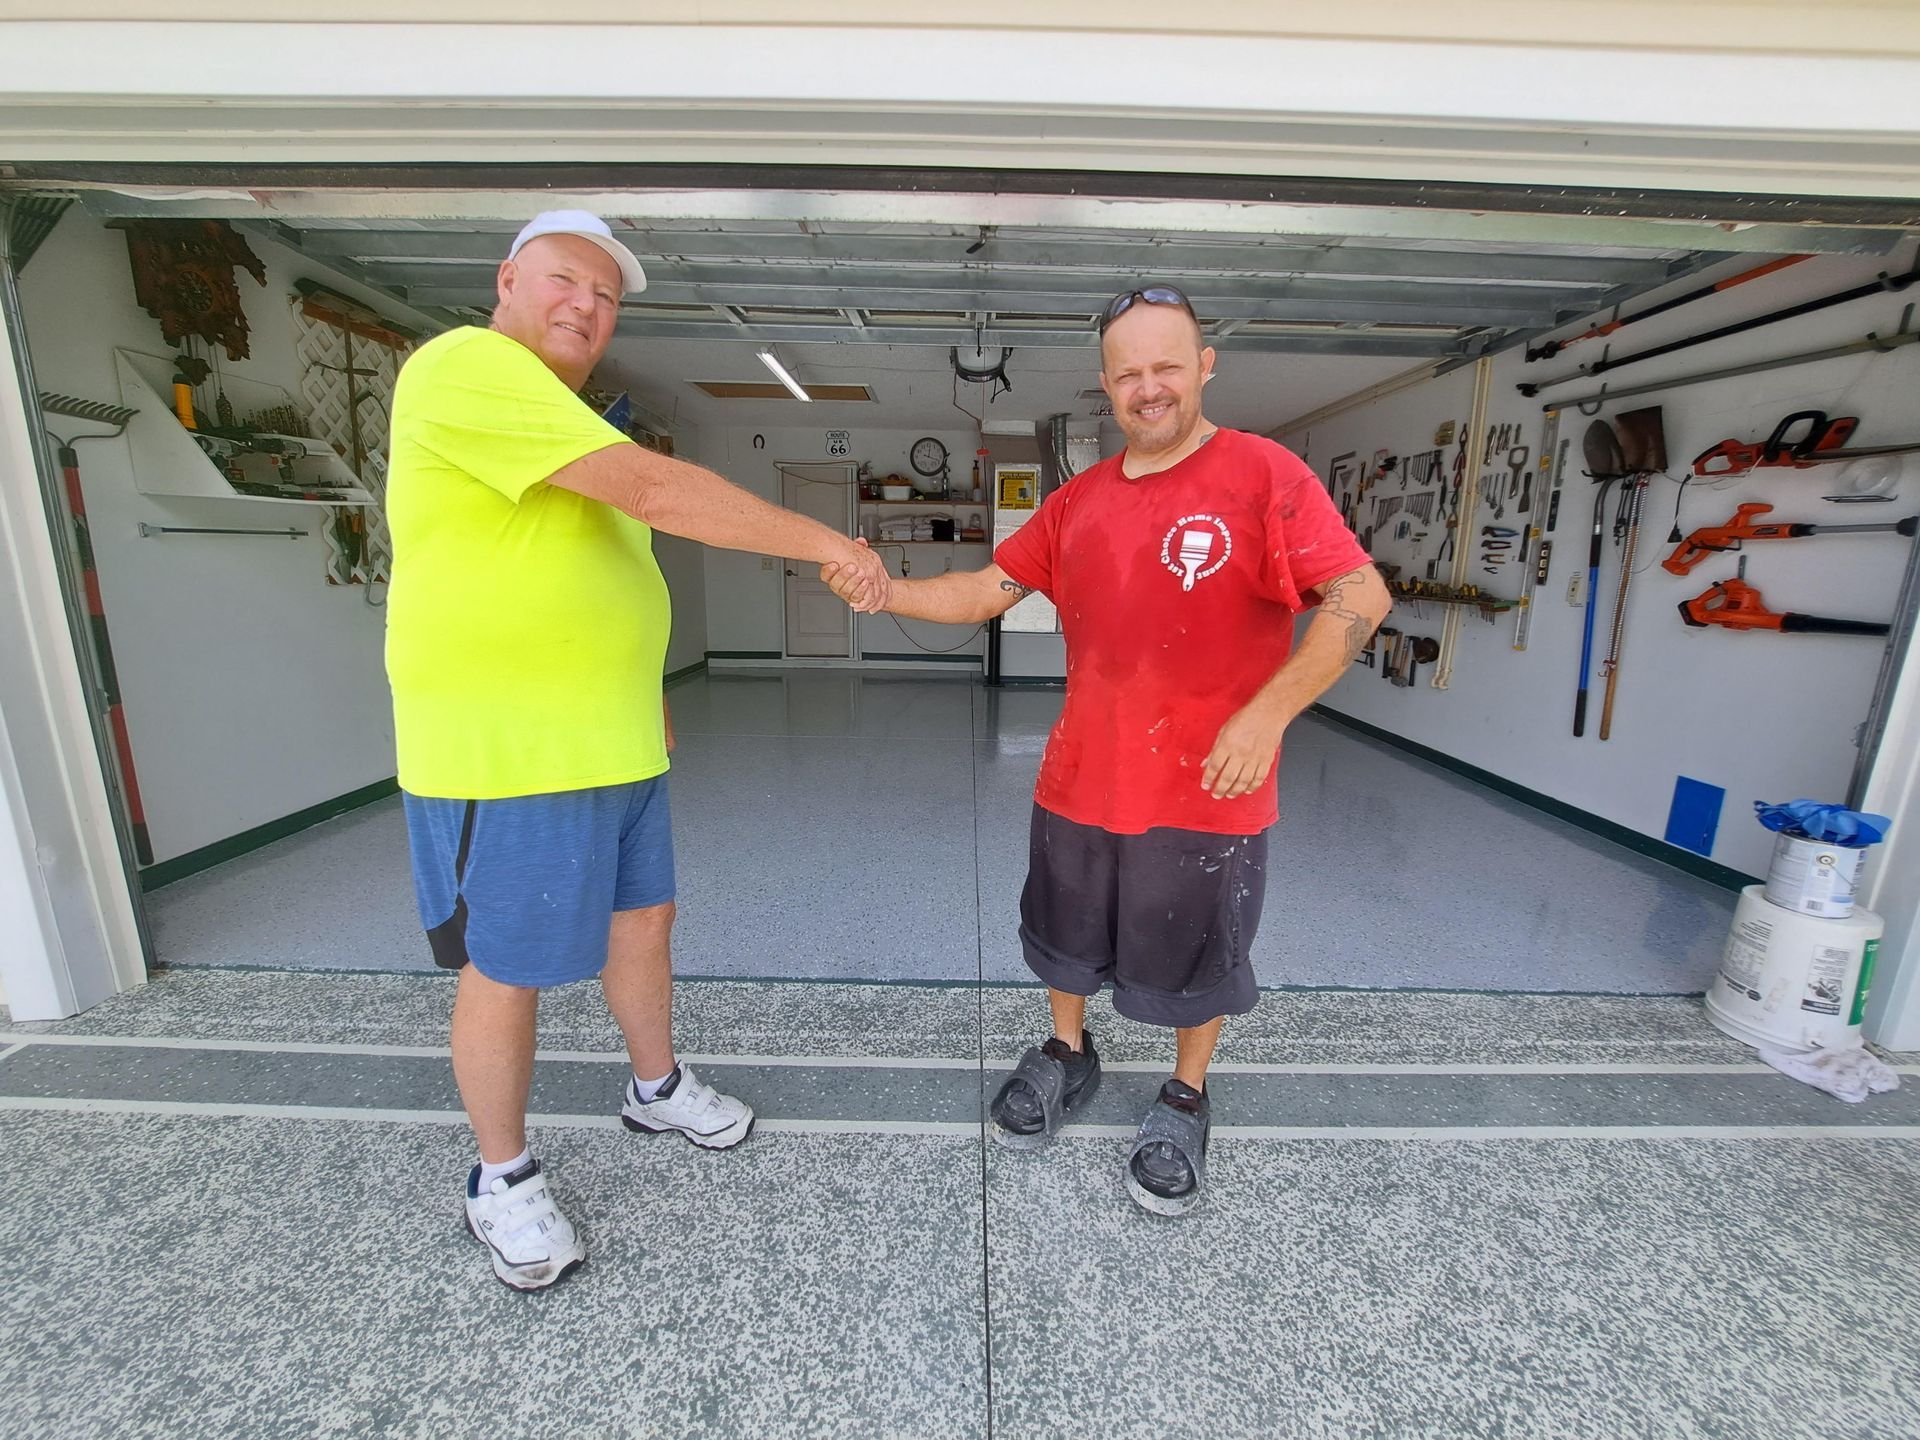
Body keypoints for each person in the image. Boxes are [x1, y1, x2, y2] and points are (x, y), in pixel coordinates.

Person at [385, 210, 890, 1290]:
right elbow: (660, 494)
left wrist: (643, 694)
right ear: (508, 277)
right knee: (507, 964)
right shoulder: (464, 365)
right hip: (506, 755)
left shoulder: (569, 422)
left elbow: (596, 579)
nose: (587, 306)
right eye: (567, 279)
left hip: (613, 746)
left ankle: (655, 1090)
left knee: (644, 923)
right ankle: (502, 1177)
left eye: (608, 296)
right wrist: (825, 544)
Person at [824, 284, 1389, 1215]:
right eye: (1129, 373)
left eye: (1167, 365)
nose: (1149, 387)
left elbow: (1360, 598)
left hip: (1208, 788)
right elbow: (986, 590)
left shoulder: (1264, 474)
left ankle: (1185, 1093)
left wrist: (1269, 712)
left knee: (1198, 956)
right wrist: (888, 592)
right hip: (1081, 777)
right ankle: (1066, 1052)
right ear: (1106, 386)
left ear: (1205, 367)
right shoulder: (1076, 501)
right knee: (1063, 945)